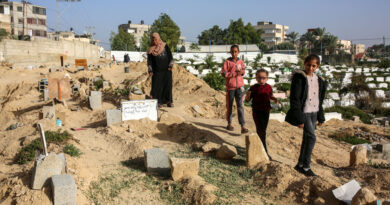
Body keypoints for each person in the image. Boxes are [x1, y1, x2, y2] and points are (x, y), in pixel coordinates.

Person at [285, 54, 327, 177]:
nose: (310, 68)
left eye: (313, 66)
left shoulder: (319, 80)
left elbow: (320, 99)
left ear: (317, 66)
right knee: (312, 138)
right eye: (308, 65)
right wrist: (299, 118)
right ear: (305, 64)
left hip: (314, 112)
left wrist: (321, 116)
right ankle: (307, 167)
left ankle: (300, 165)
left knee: (307, 139)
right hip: (304, 113)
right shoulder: (299, 78)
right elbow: (295, 99)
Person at [245, 69, 278, 159]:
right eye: (259, 78)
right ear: (256, 78)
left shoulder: (269, 87)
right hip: (256, 111)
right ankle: (265, 152)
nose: (261, 80)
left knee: (263, 131)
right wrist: (247, 95)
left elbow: (269, 95)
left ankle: (260, 148)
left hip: (266, 111)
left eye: (263, 78)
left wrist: (274, 99)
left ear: (267, 78)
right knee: (261, 131)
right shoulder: (253, 88)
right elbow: (247, 100)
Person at [221, 45, 248, 133]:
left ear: (238, 52)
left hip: (240, 87)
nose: (234, 53)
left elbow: (243, 70)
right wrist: (234, 74)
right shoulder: (227, 62)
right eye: (232, 51)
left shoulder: (241, 61)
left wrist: (241, 72)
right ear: (230, 52)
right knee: (229, 105)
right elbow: (224, 73)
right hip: (230, 87)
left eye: (235, 51)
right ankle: (229, 123)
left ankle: (242, 126)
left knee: (240, 106)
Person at [147, 32, 174, 107]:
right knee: (157, 87)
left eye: (155, 39)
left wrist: (170, 66)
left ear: (158, 39)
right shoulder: (150, 50)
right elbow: (149, 62)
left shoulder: (165, 46)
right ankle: (158, 102)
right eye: (153, 40)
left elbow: (171, 57)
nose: (154, 41)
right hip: (157, 72)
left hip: (167, 71)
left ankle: (169, 101)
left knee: (167, 86)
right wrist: (150, 70)